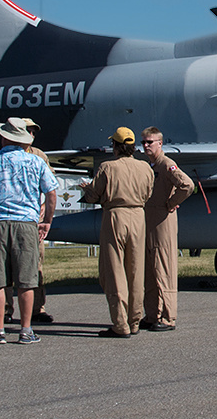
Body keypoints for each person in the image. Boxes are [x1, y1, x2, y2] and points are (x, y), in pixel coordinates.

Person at [0, 118, 58, 345]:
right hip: (26, 223)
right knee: (26, 280)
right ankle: (25, 330)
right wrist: (46, 221)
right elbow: (52, 192)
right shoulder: (35, 162)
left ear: (4, 137)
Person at [81, 127, 153, 338]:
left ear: (115, 146)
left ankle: (120, 324)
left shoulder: (107, 167)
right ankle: (134, 321)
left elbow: (94, 195)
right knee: (136, 271)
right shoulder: (145, 167)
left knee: (114, 271)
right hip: (139, 216)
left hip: (115, 216)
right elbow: (148, 193)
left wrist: (87, 188)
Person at [141, 126, 194, 331]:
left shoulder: (166, 164)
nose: (145, 145)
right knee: (150, 271)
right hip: (150, 222)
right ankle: (152, 313)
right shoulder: (150, 166)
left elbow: (187, 185)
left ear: (160, 143)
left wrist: (171, 203)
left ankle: (168, 317)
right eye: (143, 142)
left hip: (163, 222)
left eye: (150, 142)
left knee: (164, 269)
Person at [5, 117, 55, 324]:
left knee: (36, 264)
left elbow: (50, 186)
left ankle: (37, 308)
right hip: (10, 217)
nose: (32, 135)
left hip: (34, 219)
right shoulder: (4, 157)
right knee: (7, 266)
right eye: (28, 131)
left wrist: (44, 210)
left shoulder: (39, 156)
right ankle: (7, 310)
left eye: (34, 131)